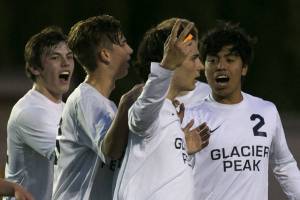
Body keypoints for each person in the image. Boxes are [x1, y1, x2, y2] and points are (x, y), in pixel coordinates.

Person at [183, 22, 300, 200]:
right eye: (212, 60)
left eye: (229, 60)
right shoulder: (191, 117)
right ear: (204, 67)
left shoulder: (266, 111)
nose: (220, 66)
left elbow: (283, 164)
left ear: (244, 68)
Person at [113, 18, 210, 200]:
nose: (201, 67)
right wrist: (166, 65)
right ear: (170, 60)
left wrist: (176, 147)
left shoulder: (170, 112)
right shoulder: (146, 107)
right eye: (194, 58)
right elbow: (142, 114)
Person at [52, 15, 143, 200]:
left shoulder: (103, 103)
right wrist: (127, 103)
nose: (130, 50)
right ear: (105, 54)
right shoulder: (86, 99)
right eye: (123, 43)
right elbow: (111, 151)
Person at [5, 26, 74, 200]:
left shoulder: (66, 108)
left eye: (69, 57)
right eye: (55, 57)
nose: (65, 63)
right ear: (35, 68)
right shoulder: (29, 112)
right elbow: (67, 155)